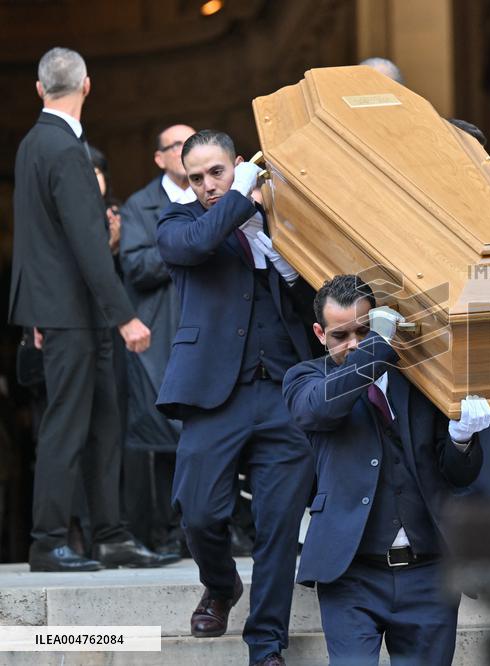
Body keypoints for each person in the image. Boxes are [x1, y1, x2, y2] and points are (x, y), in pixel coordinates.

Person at [156, 129, 316, 666]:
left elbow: (321, 307)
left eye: (216, 173)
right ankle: (221, 586)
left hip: (283, 393)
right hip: (212, 396)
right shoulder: (179, 222)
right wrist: (238, 198)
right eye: (195, 177)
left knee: (278, 529)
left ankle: (266, 646)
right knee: (199, 512)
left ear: (237, 164)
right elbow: (198, 245)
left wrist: (293, 273)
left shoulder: (283, 221)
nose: (205, 185)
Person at [283, 274, 490, 665]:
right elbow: (320, 409)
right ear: (319, 333)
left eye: (364, 330)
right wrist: (377, 345)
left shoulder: (422, 380)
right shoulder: (307, 379)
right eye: (340, 335)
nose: (353, 344)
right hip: (351, 575)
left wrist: (463, 440)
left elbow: (458, 474)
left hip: (429, 572)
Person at [8, 46, 164, 572]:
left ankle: (112, 534)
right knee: (68, 425)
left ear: (38, 89)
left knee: (102, 423)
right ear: (88, 86)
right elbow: (85, 242)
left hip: (66, 312)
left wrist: (35, 314)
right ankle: (48, 540)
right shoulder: (64, 147)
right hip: (74, 314)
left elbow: (35, 243)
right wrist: (126, 315)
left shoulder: (34, 144)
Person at [118, 124, 196, 557]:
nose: (185, 153)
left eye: (191, 143)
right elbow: (137, 266)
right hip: (161, 333)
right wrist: (186, 242)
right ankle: (169, 532)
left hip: (206, 330)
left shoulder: (210, 197)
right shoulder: (140, 205)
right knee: (167, 435)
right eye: (176, 146)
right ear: (159, 158)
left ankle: (216, 527)